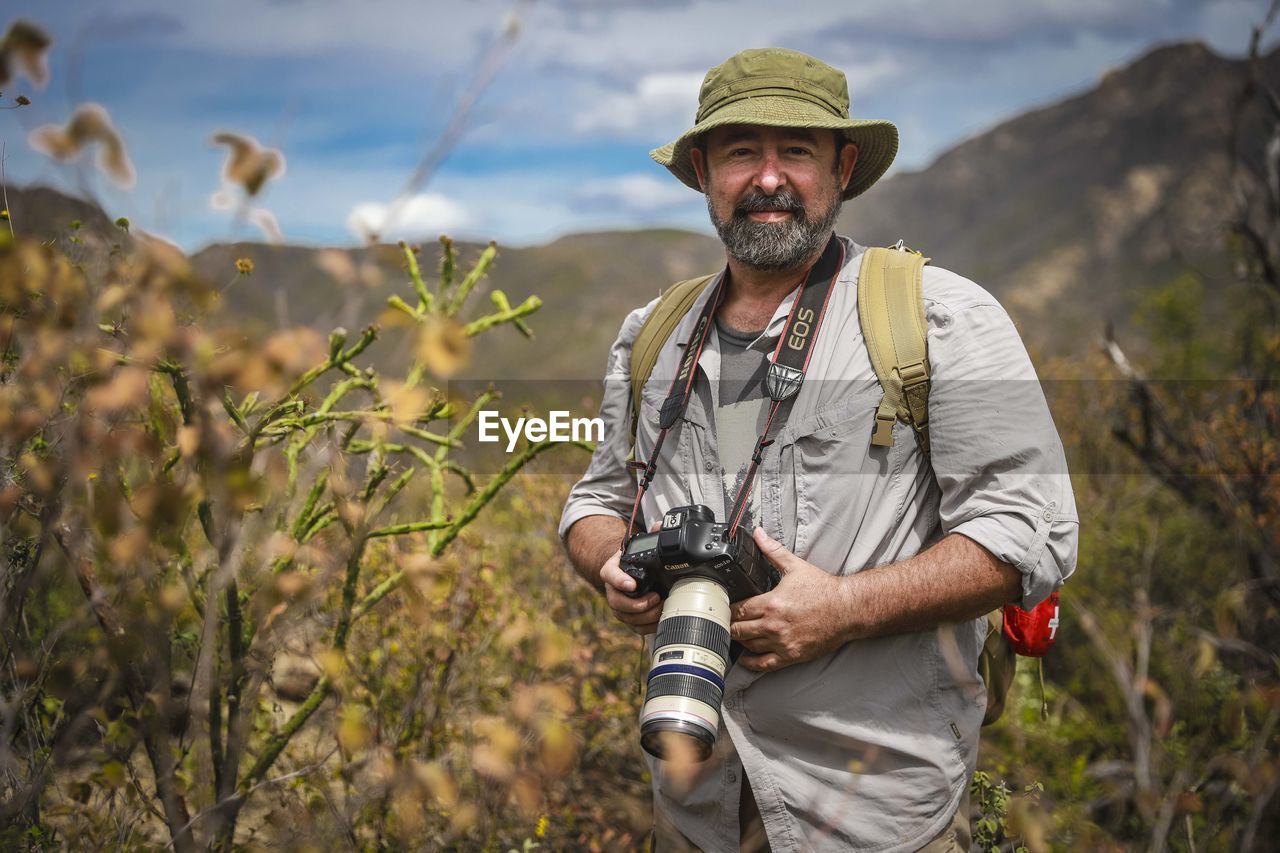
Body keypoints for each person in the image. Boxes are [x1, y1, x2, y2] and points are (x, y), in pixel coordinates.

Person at [559, 47, 1078, 852]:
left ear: (840, 168)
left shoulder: (940, 318)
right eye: (741, 152)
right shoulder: (651, 335)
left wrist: (844, 608)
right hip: (692, 803)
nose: (769, 178)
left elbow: (1031, 534)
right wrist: (613, 565)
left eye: (795, 151)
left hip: (875, 815)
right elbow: (594, 503)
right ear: (703, 171)